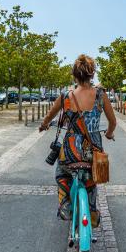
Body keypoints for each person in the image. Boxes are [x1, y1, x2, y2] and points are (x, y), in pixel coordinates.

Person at [39, 54, 116, 227]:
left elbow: (49, 116)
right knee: (91, 180)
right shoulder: (100, 95)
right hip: (94, 149)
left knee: (62, 173)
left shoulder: (65, 96)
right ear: (92, 74)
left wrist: (44, 125)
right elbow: (113, 122)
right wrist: (109, 134)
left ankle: (66, 205)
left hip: (70, 149)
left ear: (74, 75)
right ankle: (92, 211)